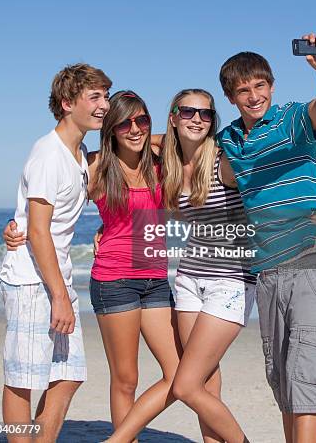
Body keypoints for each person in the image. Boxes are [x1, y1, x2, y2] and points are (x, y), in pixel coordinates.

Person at [216, 34, 316, 443]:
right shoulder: (230, 140)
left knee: (307, 380)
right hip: (267, 271)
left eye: (259, 86)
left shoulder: (292, 120)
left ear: (271, 86)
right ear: (231, 97)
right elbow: (185, 153)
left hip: (309, 263)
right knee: (284, 381)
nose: (253, 96)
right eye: (242, 90)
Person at [0, 63, 112, 443]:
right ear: (67, 103)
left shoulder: (78, 155)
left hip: (54, 276)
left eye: (105, 96)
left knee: (68, 373)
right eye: (94, 97)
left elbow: (147, 142)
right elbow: (37, 230)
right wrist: (59, 297)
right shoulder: (48, 154)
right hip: (32, 280)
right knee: (23, 377)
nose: (104, 105)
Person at [87, 90, 182, 442]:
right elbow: (52, 200)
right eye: (124, 122)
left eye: (141, 120)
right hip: (114, 280)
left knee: (180, 376)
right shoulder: (95, 165)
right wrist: (17, 228)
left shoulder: (159, 160)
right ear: (110, 128)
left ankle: (117, 439)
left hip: (156, 280)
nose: (135, 129)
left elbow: (185, 134)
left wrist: (148, 132)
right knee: (126, 379)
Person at [164, 89, 256, 443]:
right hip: (188, 278)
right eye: (188, 112)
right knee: (204, 383)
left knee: (186, 386)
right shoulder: (170, 165)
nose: (197, 119)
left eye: (205, 114)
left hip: (230, 281)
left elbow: (263, 180)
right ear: (173, 116)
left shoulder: (223, 161)